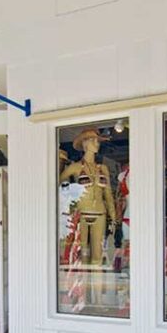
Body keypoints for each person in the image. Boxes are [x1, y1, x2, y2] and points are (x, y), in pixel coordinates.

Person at [59, 129, 117, 307]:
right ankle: (83, 298)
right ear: (85, 144)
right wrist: (68, 207)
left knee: (97, 259)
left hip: (100, 214)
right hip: (82, 216)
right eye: (94, 140)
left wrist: (113, 218)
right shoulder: (75, 168)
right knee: (82, 257)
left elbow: (108, 194)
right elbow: (59, 186)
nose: (97, 143)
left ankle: (98, 301)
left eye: (97, 141)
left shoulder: (103, 169)